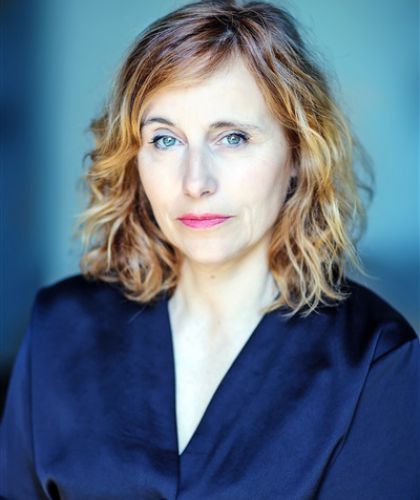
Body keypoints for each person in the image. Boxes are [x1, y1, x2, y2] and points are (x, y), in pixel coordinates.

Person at [1, 0, 419, 498]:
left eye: (233, 137)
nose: (195, 181)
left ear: (297, 155)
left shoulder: (375, 360)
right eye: (165, 140)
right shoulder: (59, 328)